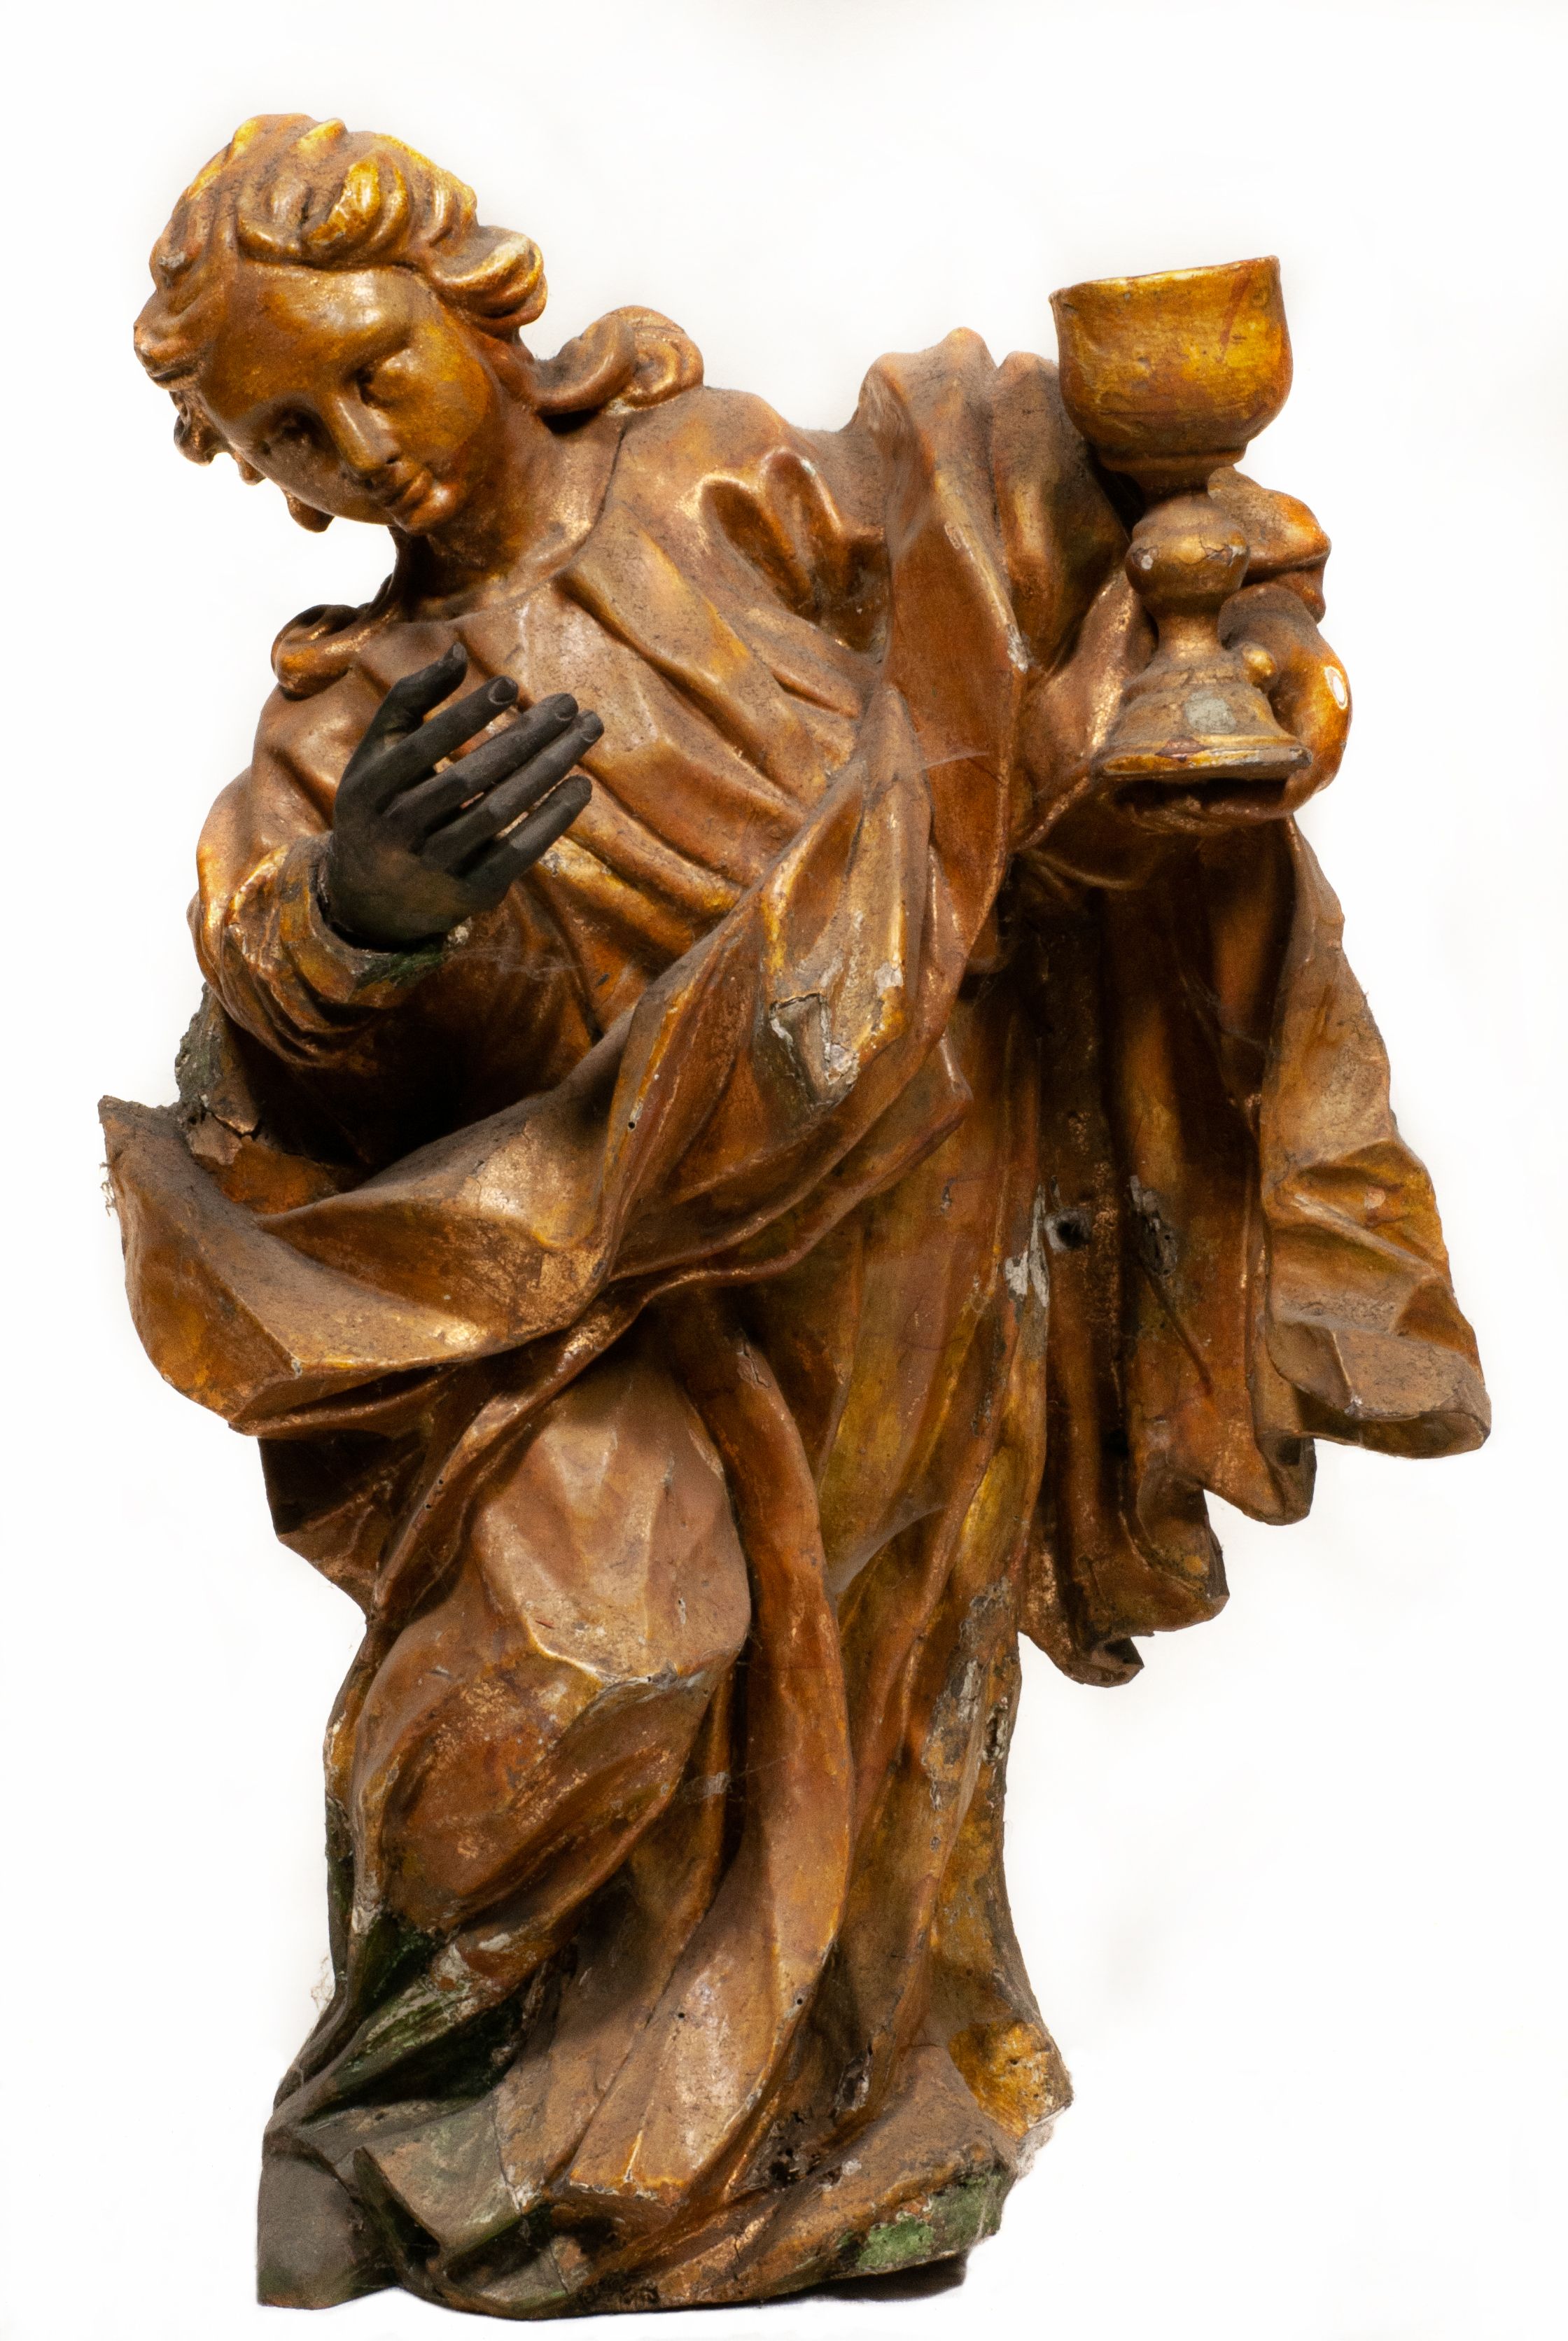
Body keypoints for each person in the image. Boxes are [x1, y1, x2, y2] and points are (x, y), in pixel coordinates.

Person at [104, 113, 1488, 2318]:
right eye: (292, 433)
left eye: (375, 366)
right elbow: (272, 1078)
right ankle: (392, 2101)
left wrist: (1160, 525)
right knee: (594, 1640)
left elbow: (998, 545)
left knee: (889, 1674)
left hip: (922, 1193)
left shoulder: (715, 478)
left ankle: (851, 2133)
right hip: (610, 1277)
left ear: (475, 300)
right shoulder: (350, 732)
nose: (359, 446)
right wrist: (363, 924)